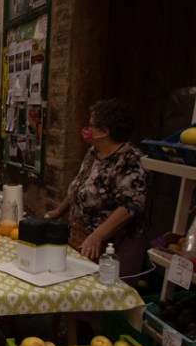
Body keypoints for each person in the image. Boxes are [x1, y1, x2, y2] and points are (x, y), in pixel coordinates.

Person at [44, 98, 149, 276]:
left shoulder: (129, 159)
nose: (86, 129)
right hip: (82, 236)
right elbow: (80, 184)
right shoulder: (94, 151)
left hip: (112, 246)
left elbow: (131, 205)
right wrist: (58, 211)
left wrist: (98, 236)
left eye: (91, 125)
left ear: (105, 131)